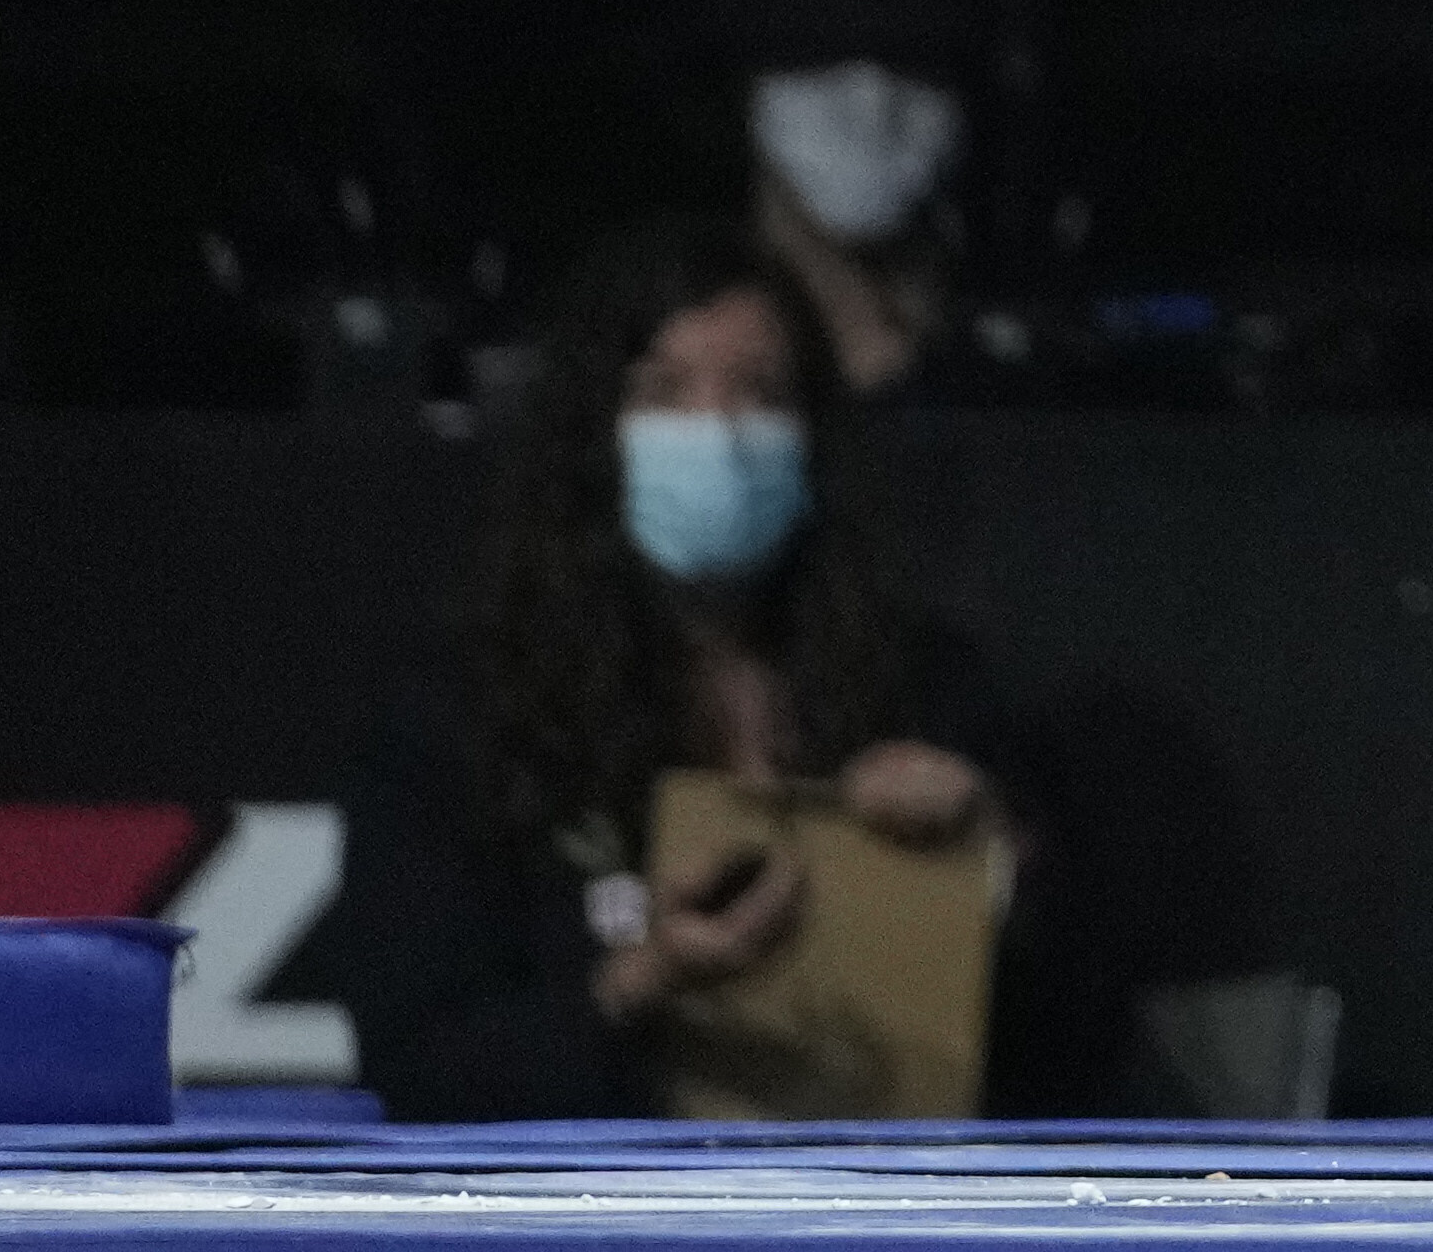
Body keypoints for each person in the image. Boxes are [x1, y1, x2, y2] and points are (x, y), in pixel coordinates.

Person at [321, 226, 1133, 1116]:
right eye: (666, 393)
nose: (719, 430)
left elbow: (1075, 1048)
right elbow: (418, 1064)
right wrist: (643, 978)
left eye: (761, 394)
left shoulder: (929, 686)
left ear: (814, 438)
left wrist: (994, 864)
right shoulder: (465, 709)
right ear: (595, 436)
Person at [707, 0, 1054, 411]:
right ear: (740, 94)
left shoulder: (1043, 392)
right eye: (813, 58)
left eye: (918, 65)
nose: (871, 102)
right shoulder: (652, 382)